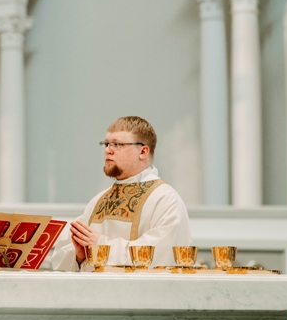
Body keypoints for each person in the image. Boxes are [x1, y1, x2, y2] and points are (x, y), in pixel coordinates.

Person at [51, 116, 192, 271]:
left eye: (117, 144)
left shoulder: (164, 198)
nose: (108, 150)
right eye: (106, 144)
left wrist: (101, 246)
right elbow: (62, 260)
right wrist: (79, 256)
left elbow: (160, 253)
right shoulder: (98, 201)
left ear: (143, 151)